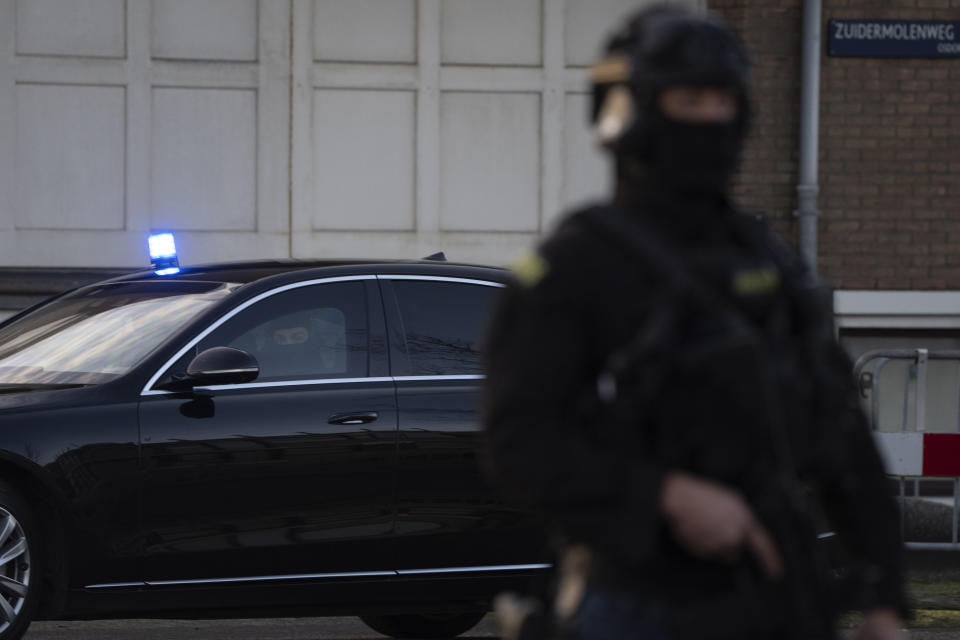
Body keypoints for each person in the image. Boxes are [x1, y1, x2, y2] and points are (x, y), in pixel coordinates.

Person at [481, 5, 907, 640]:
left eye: (721, 98)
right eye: (689, 98)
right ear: (628, 111)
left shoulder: (768, 264)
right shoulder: (574, 267)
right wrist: (663, 496)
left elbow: (841, 438)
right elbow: (517, 443)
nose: (710, 117)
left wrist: (885, 600)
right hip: (637, 603)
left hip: (781, 600)